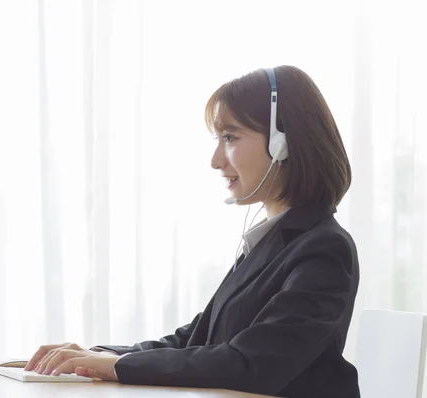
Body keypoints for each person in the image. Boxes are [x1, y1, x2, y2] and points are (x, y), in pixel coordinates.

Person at [24, 65, 360, 398]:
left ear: (282, 142)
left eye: (229, 138)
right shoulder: (270, 242)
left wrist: (114, 367)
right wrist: (106, 356)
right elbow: (195, 340)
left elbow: (251, 363)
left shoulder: (324, 249)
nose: (215, 160)